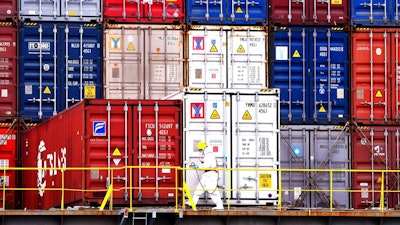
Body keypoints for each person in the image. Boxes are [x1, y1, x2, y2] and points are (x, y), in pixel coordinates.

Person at [186, 141, 224, 210]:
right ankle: (192, 202)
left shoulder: (208, 155)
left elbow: (207, 165)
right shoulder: (208, 155)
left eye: (200, 150)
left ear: (203, 149)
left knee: (212, 190)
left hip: (211, 175)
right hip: (207, 175)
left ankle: (219, 205)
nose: (200, 151)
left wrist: (198, 167)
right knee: (199, 188)